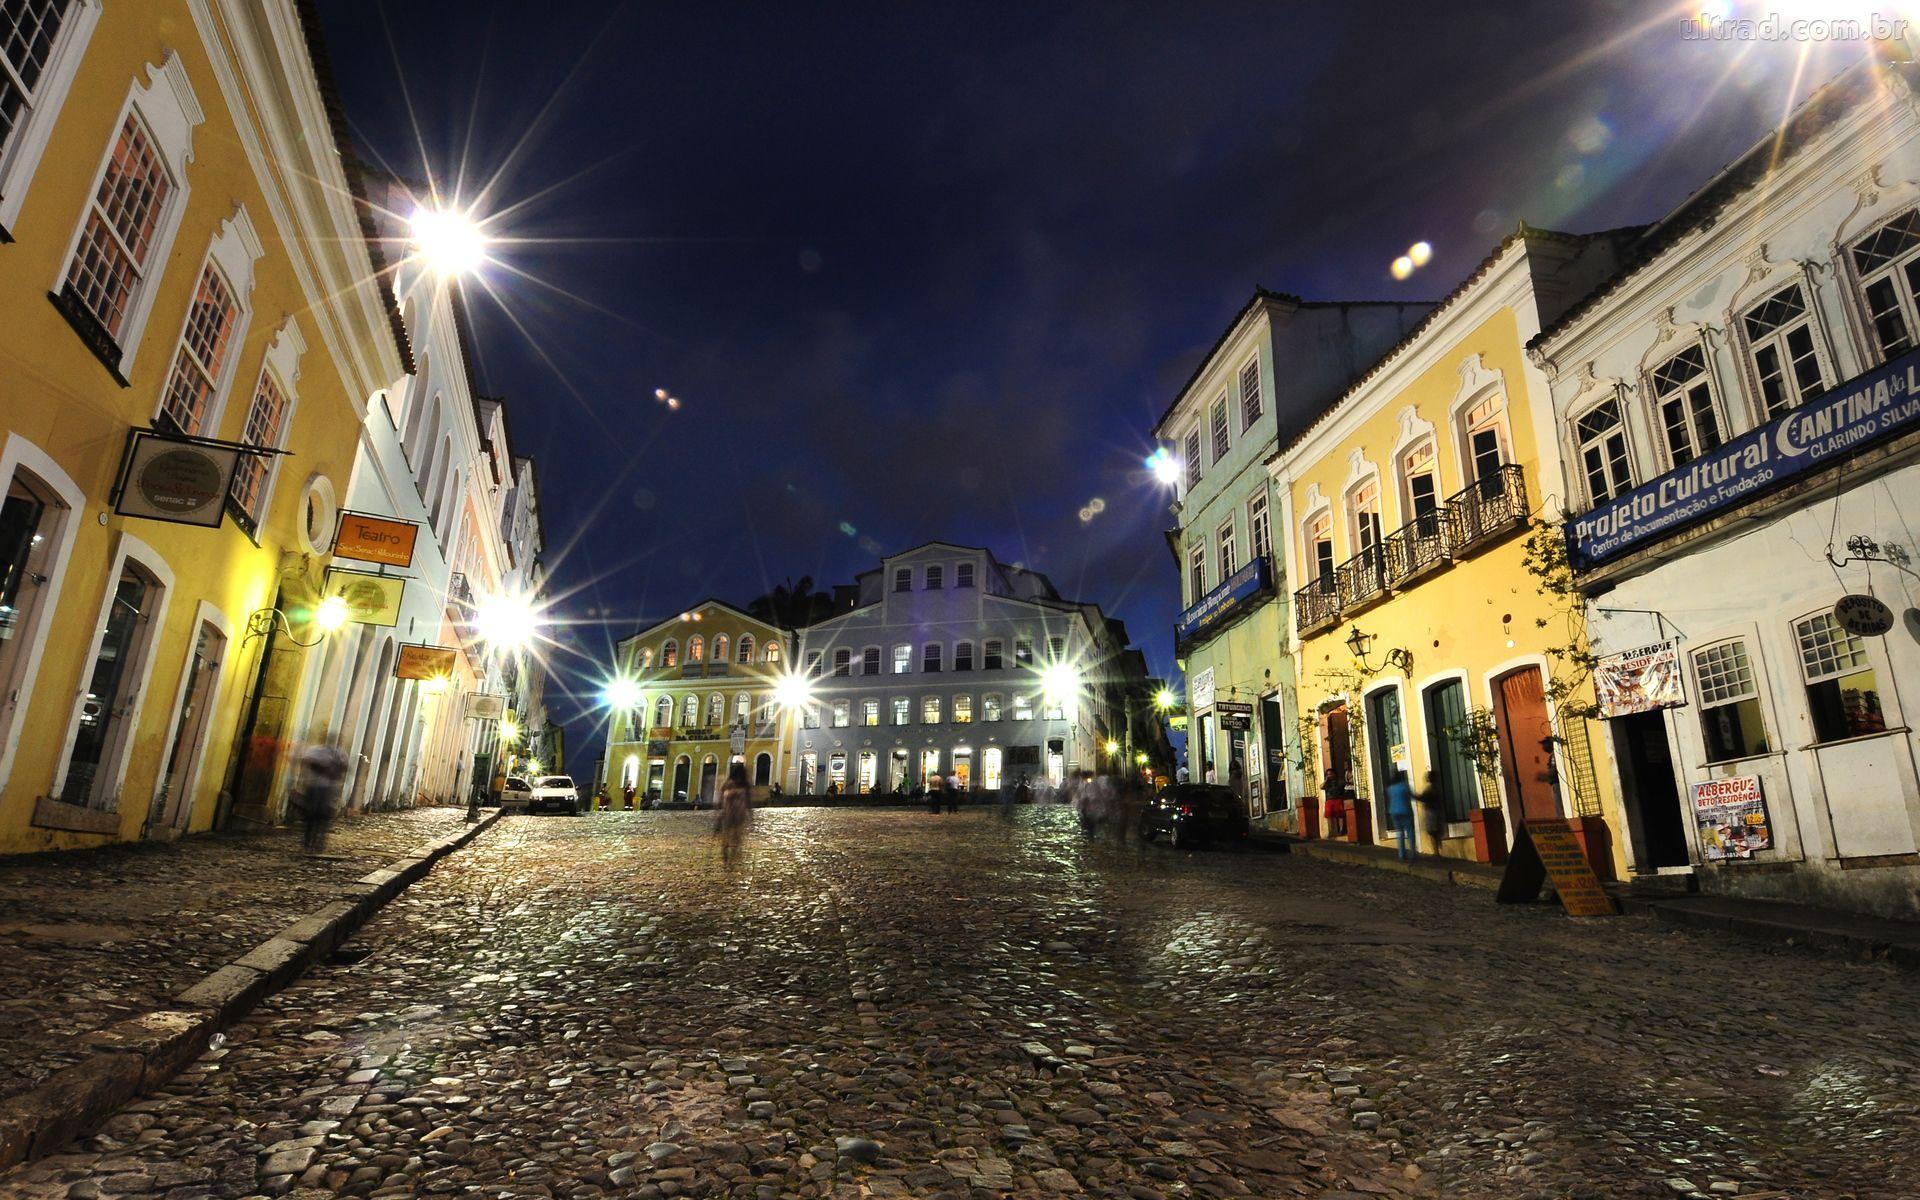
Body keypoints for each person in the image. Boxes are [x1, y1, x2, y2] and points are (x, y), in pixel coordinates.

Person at [295, 738, 349, 854]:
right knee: (313, 815)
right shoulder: (318, 751)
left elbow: (344, 768)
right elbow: (307, 762)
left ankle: (316, 842)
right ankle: (310, 842)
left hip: (326, 788)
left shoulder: (338, 753)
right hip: (315, 786)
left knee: (321, 816)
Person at [716, 761, 751, 869]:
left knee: (727, 837)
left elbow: (720, 799)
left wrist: (719, 812)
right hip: (739, 814)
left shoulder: (727, 783)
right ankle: (729, 860)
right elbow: (749, 802)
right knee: (735, 838)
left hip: (729, 813)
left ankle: (727, 860)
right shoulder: (745, 785)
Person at [1387, 769, 1417, 862]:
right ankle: (1412, 853)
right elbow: (1412, 796)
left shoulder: (1390, 788)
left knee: (1399, 833)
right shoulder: (1404, 786)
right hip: (1405, 811)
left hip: (1394, 812)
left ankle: (1401, 854)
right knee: (1410, 832)